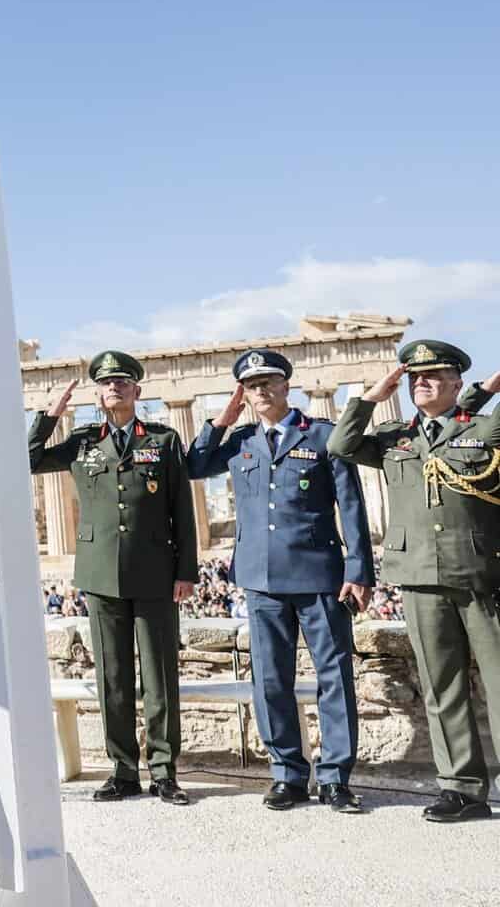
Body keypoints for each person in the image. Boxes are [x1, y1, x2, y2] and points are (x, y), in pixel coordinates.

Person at [186, 348, 373, 812]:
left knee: (334, 676)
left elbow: (351, 506)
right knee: (270, 680)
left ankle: (335, 777)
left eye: (269, 382)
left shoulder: (322, 435)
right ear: (244, 395)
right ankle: (287, 774)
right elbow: (195, 466)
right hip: (261, 577)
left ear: (286, 386)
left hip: (319, 575)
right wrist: (222, 420)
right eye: (252, 386)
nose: (261, 391)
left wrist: (359, 570)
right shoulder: (241, 441)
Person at [328, 339, 500, 823]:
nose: (420, 382)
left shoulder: (484, 429)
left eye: (433, 375)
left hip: (480, 573)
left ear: (457, 382)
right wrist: (372, 396)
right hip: (420, 574)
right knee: (441, 686)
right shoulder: (393, 437)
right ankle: (461, 788)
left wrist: (482, 396)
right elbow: (340, 445)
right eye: (414, 377)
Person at [27, 350, 198, 806]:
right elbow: (26, 461)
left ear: (136, 390)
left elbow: (181, 510)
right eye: (106, 383)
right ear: (97, 395)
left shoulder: (162, 440)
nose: (114, 388)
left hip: (155, 572)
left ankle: (164, 771)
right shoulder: (82, 442)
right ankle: (123, 770)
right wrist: (48, 419)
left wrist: (186, 571)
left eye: (122, 381)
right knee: (113, 678)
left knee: (160, 679)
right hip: (101, 573)